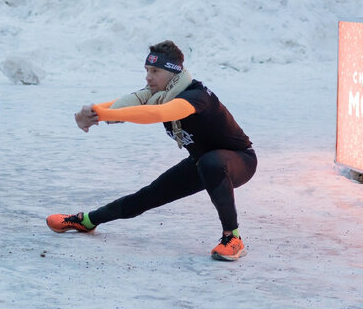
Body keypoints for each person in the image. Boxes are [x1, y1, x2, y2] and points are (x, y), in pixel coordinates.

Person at [46, 41, 257, 261]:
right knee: (148, 196)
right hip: (202, 161)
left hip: (240, 161)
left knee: (211, 163)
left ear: (174, 73)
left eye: (155, 71)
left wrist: (103, 115)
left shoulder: (196, 96)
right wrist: (91, 113)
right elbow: (121, 104)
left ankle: (232, 238)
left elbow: (159, 113)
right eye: (147, 70)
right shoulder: (159, 93)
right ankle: (87, 221)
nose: (148, 77)